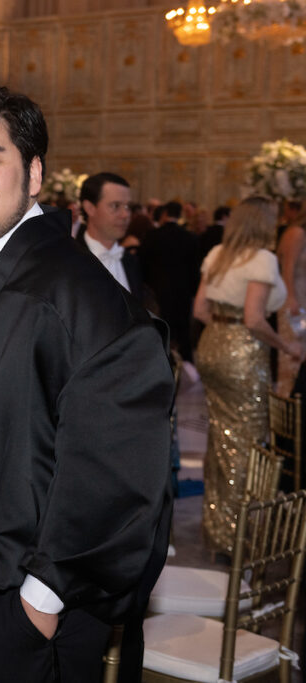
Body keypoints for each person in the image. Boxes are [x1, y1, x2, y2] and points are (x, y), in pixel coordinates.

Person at [0, 83, 173, 682]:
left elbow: (120, 474)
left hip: (7, 612)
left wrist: (41, 602)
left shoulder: (85, 296)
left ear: (35, 173)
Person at [194, 197, 304, 552]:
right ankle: (234, 537)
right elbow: (255, 319)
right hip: (242, 351)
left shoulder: (218, 254)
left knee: (220, 435)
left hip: (211, 344)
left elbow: (199, 309)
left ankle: (216, 528)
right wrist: (285, 347)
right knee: (247, 442)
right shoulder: (262, 259)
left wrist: (224, 336)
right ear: (263, 223)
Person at [140, 200, 200, 361]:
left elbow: (142, 264)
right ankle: (187, 368)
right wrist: (193, 291)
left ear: (165, 214)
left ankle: (157, 364)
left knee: (158, 330)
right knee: (183, 332)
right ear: (179, 215)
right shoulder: (190, 238)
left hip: (157, 292)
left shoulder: (153, 235)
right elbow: (195, 269)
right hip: (182, 293)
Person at [75, 172, 145, 302]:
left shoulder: (131, 262)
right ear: (90, 208)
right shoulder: (69, 261)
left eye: (127, 206)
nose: (125, 215)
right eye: (115, 206)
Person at [276, 204, 306, 396]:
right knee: (292, 355)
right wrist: (291, 298)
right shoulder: (296, 232)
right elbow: (287, 268)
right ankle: (289, 403)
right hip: (295, 299)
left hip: (303, 296)